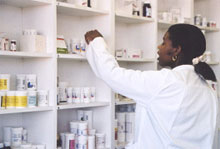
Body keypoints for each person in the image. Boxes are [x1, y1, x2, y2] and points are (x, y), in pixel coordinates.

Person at [84, 24, 218, 149]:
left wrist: (97, 43)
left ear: (176, 50)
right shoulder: (208, 89)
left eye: (164, 43)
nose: (159, 47)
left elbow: (112, 74)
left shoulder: (166, 82)